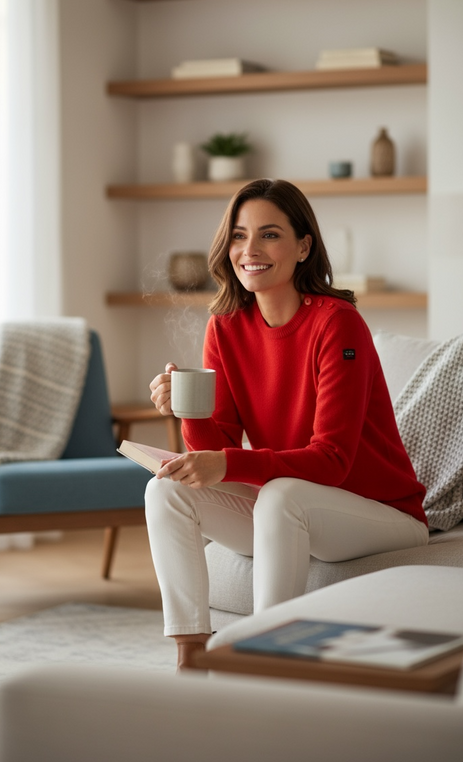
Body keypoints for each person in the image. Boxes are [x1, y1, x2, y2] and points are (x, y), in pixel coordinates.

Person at [147, 178, 428, 670]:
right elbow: (219, 448)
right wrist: (190, 412)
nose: (249, 249)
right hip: (296, 507)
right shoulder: (226, 326)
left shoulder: (338, 323)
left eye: (269, 235)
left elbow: (333, 461)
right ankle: (192, 656)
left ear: (303, 246)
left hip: (381, 512)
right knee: (166, 490)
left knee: (282, 494)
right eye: (238, 235)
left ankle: (268, 659)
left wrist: (225, 462)